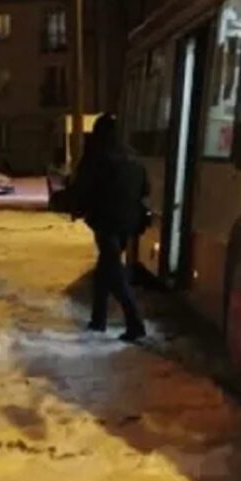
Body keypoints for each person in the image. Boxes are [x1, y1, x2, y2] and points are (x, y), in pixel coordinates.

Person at [69, 113, 149, 341]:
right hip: (129, 223)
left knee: (113, 273)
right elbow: (146, 190)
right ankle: (98, 320)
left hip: (105, 222)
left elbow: (83, 187)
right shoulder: (133, 157)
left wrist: (75, 206)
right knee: (104, 271)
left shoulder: (97, 156)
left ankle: (135, 324)